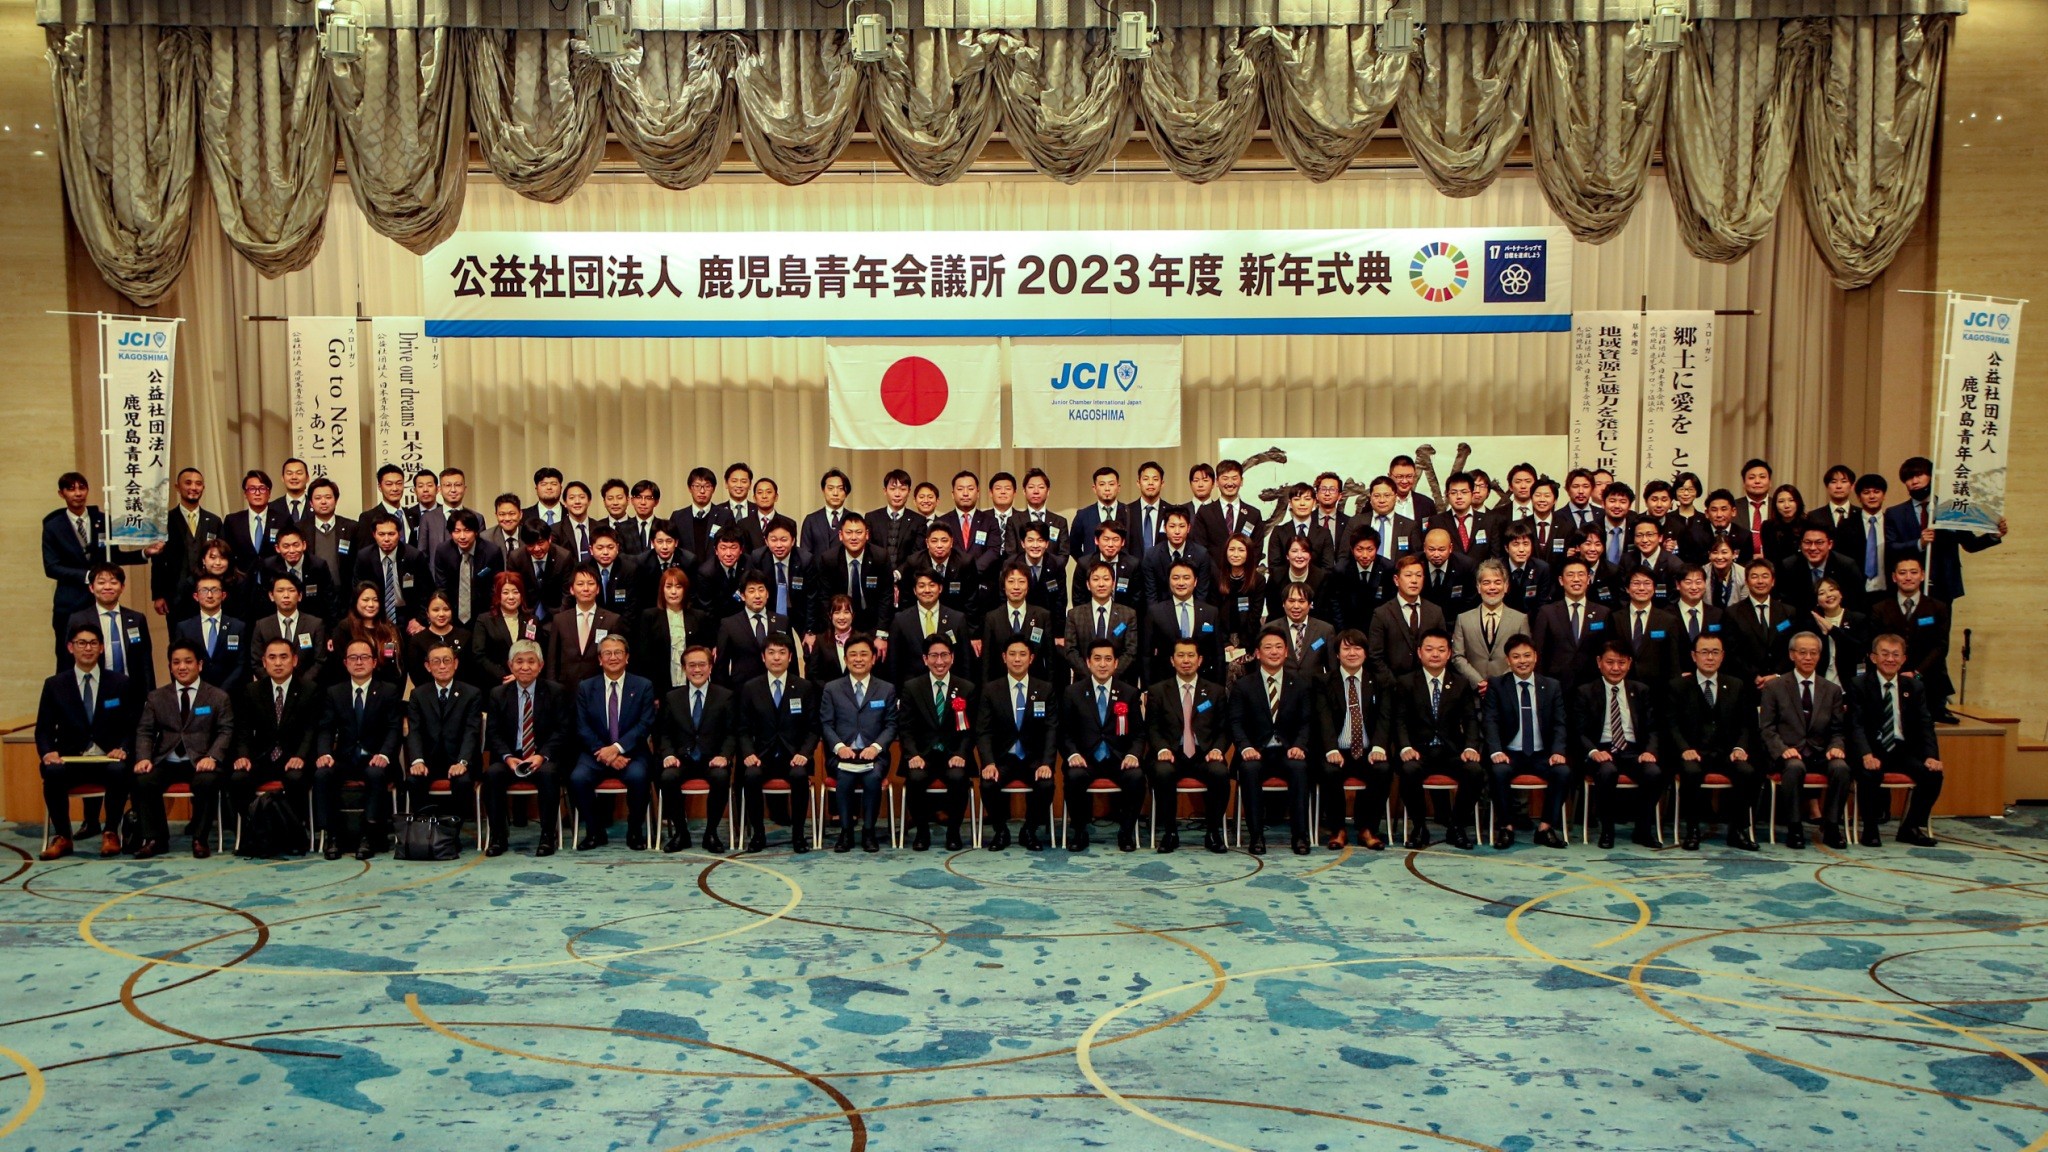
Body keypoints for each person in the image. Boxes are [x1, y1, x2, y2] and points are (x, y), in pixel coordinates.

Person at [35, 623, 139, 859]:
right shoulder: (55, 685)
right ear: (70, 647)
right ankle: (63, 836)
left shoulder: (120, 683)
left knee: (119, 770)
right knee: (52, 772)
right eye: (81, 643)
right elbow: (43, 729)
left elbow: (131, 726)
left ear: (101, 648)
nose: (88, 648)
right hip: (71, 760)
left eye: (93, 643)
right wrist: (47, 752)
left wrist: (123, 748)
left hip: (107, 760)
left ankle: (110, 832)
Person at [131, 640, 236, 859]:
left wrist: (212, 756)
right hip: (166, 760)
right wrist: (143, 757)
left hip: (201, 761)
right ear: (170, 667)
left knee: (207, 781)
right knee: (143, 780)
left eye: (188, 661)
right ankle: (155, 839)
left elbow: (226, 731)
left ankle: (200, 839)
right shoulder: (157, 697)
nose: (182, 667)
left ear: (200, 665)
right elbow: (145, 731)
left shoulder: (218, 697)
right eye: (176, 662)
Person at [1846, 633, 1944, 848]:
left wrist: (1931, 756)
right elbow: (1856, 725)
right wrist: (1866, 754)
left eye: (1895, 655)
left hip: (1902, 750)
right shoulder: (1859, 684)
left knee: (1933, 775)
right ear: (1873, 657)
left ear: (1903, 659)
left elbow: (1925, 725)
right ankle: (1870, 829)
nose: (1890, 659)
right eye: (1885, 654)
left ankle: (1910, 827)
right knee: (1869, 774)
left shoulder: (1914, 687)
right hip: (1871, 749)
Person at [1757, 631, 1852, 849]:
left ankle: (1831, 826)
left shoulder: (1832, 690)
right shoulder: (1775, 687)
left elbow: (1838, 730)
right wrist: (1782, 749)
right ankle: (1795, 827)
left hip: (1820, 753)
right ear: (1792, 655)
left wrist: (1836, 746)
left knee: (1841, 768)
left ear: (1819, 655)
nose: (1808, 657)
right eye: (1802, 652)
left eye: (1813, 653)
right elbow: (1767, 728)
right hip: (1788, 753)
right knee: (1794, 767)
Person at [1665, 632, 1759, 852]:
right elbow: (1671, 725)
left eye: (1715, 652)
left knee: (1747, 772)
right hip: (1693, 752)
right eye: (1704, 652)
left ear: (1722, 656)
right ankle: (1692, 830)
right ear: (1694, 656)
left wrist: (1739, 748)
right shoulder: (1678, 686)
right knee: (1690, 772)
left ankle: (1737, 830)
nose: (1710, 657)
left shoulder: (1735, 685)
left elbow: (1746, 724)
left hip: (1725, 752)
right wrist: (1684, 749)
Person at [1391, 628, 1482, 850]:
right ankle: (1419, 827)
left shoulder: (1460, 683)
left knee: (1475, 771)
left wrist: (1471, 747)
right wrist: (1405, 747)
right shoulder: (1406, 682)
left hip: (1451, 752)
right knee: (1409, 770)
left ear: (1449, 653)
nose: (1435, 654)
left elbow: (1470, 719)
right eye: (1429, 649)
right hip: (1419, 751)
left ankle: (1456, 826)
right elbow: (1399, 720)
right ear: (1419, 652)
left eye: (1441, 650)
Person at [1228, 625, 1316, 856]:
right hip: (1256, 751)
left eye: (1279, 647)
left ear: (1286, 652)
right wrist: (1245, 747)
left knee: (1300, 768)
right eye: (1268, 647)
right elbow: (1235, 722)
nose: (1274, 652)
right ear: (1258, 653)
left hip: (1288, 751)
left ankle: (1300, 836)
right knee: (1249, 769)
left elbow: (1307, 722)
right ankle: (1256, 836)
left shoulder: (1300, 684)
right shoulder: (1243, 686)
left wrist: (1299, 745)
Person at [312, 640, 405, 859]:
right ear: (345, 663)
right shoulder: (335, 692)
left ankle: (368, 836)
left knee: (375, 773)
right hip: (345, 759)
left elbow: (394, 729)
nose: (359, 662)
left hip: (376, 758)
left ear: (374, 662)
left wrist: (384, 755)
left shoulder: (388, 691)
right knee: (322, 774)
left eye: (364, 657)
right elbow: (326, 728)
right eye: (353, 658)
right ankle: (333, 836)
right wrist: (325, 753)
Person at [227, 638, 319, 853]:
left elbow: (311, 730)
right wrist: (243, 756)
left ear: (294, 660)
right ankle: (256, 829)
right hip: (262, 759)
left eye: (283, 657)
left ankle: (292, 833)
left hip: (294, 758)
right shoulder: (252, 690)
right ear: (264, 662)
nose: (278, 663)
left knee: (295, 779)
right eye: (272, 657)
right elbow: (242, 730)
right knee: (238, 779)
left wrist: (301, 756)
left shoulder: (309, 689)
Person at [1480, 634, 1569, 850]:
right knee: (1498, 771)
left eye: (1527, 655)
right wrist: (1495, 751)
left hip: (1541, 753)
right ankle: (1506, 828)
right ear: (1508, 660)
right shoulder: (1497, 685)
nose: (1522, 661)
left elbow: (1560, 723)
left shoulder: (1551, 686)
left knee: (1563, 772)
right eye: (1516, 656)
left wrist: (1557, 751)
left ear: (1535, 657)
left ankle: (1545, 828)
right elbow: (1490, 721)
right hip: (1510, 752)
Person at [1059, 638, 1147, 852]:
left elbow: (1139, 733)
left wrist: (1133, 755)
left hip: (1118, 759)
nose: (1102, 664)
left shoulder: (1129, 693)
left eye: (1108, 659)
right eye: (1097, 659)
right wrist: (1072, 754)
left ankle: (1126, 833)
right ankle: (1079, 832)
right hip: (1085, 759)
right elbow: (1064, 732)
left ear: (1116, 663)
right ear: (1088, 662)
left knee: (1136, 777)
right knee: (1074, 776)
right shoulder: (1073, 692)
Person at [1144, 637, 1231, 854]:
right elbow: (1152, 728)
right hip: (1171, 754)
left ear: (1199, 660)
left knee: (1220, 772)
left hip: (1204, 754)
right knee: (1162, 772)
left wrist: (1217, 749)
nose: (1186, 660)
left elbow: (1224, 729)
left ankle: (1213, 832)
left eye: (1191, 655)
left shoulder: (1216, 691)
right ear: (1172, 660)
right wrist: (1162, 749)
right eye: (1181, 655)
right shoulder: (1158, 691)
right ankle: (1170, 833)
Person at [569, 634, 656, 850]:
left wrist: (617, 748)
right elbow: (582, 726)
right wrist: (605, 752)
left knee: (639, 777)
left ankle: (634, 831)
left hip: (631, 753)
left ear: (627, 657)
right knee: (577, 779)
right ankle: (595, 831)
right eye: (607, 653)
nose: (613, 657)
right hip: (595, 753)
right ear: (600, 659)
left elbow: (645, 724)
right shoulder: (586, 687)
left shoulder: (643, 686)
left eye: (618, 652)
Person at [484, 639, 570, 857]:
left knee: (549, 774)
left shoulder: (556, 692)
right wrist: (507, 757)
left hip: (542, 758)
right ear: (510, 665)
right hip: (511, 758)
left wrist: (542, 756)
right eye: (519, 661)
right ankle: (498, 837)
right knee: (492, 774)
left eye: (531, 662)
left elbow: (562, 730)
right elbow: (493, 733)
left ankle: (547, 836)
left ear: (540, 666)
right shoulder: (497, 694)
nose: (525, 667)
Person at [1573, 641, 1663, 850]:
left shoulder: (1640, 690)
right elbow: (1579, 732)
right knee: (1607, 771)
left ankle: (1642, 830)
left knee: (1654, 773)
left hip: (1633, 751)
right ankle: (1607, 831)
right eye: (1610, 662)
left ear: (1629, 663)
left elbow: (1653, 728)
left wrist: (1649, 751)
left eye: (1621, 663)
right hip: (1601, 750)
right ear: (1599, 662)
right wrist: (1593, 752)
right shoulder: (1585, 691)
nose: (1616, 668)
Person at [734, 633, 818, 853]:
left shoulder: (804, 687)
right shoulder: (751, 688)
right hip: (762, 756)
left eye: (782, 652)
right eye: (771, 653)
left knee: (799, 776)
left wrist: (804, 753)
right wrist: (748, 753)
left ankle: (798, 835)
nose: (776, 657)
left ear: (790, 657)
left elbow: (813, 729)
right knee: (750, 775)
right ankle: (758, 834)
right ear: (763, 657)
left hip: (794, 756)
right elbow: (742, 729)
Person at [1883, 455, 2007, 602]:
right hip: (1910, 583)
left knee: (1942, 617)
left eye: (1919, 475)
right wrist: (1919, 543)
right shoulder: (1895, 513)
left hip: (1944, 583)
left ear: (1931, 476)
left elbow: (1970, 544)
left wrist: (1993, 536)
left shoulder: (1952, 509)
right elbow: (1891, 547)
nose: (1915, 481)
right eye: (1909, 478)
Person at [975, 637, 1057, 851]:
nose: (1017, 659)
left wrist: (1047, 763)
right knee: (988, 783)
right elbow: (983, 731)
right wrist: (988, 763)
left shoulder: (1045, 689)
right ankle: (1001, 831)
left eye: (1022, 654)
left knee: (1046, 784)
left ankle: (1029, 830)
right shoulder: (991, 690)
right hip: (1002, 759)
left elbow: (1051, 729)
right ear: (1004, 658)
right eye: (1012, 654)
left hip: (1033, 759)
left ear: (1031, 658)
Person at [653, 644, 737, 854]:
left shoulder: (725, 696)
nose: (697, 670)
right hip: (683, 759)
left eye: (702, 664)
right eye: (692, 665)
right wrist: (668, 755)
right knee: (667, 777)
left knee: (721, 777)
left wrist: (725, 756)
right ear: (684, 668)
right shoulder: (672, 697)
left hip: (712, 759)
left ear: (710, 667)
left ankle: (711, 833)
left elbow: (732, 733)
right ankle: (681, 833)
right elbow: (664, 733)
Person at [897, 634, 976, 852]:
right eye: (933, 656)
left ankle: (953, 833)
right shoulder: (912, 687)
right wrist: (913, 755)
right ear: (925, 659)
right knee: (915, 778)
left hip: (953, 755)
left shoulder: (966, 688)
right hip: (922, 755)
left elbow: (970, 730)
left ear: (952, 657)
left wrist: (961, 754)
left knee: (959, 778)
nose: (939, 661)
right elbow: (905, 728)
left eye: (944, 655)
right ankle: (922, 833)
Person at [819, 634, 896, 853]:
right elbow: (826, 724)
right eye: (853, 655)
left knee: (872, 777)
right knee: (845, 776)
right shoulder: (832, 688)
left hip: (875, 755)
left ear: (873, 659)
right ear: (845, 659)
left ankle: (869, 832)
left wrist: (876, 747)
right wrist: (839, 747)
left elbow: (891, 725)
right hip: (841, 754)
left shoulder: (886, 689)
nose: (858, 659)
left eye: (864, 654)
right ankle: (846, 832)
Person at [401, 640, 483, 841]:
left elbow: (471, 732)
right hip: (429, 761)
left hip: (460, 760)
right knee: (413, 780)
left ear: (456, 663)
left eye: (447, 660)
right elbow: (414, 731)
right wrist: (417, 760)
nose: (442, 666)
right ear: (428, 666)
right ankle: (427, 835)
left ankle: (451, 836)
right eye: (436, 661)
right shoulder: (418, 694)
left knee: (463, 782)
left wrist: (462, 762)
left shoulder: (472, 693)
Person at [1316, 630, 1391, 851]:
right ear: (1337, 654)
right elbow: (1323, 718)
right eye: (1346, 648)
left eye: (1357, 648)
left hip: (1368, 750)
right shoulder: (1324, 681)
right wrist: (1331, 749)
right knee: (1329, 771)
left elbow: (1385, 717)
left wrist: (1379, 746)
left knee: (1383, 769)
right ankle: (1337, 830)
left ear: (1366, 653)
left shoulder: (1379, 681)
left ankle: (1367, 829)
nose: (1352, 653)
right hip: (1337, 750)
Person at [1867, 555, 1954, 722]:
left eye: (1913, 572)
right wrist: (1894, 671)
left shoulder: (1938, 607)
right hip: (1889, 677)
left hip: (1929, 680)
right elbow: (1874, 644)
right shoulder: (1879, 609)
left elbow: (1941, 646)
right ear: (1894, 577)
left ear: (1922, 575)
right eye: (1902, 573)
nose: (1908, 577)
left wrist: (1917, 673)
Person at [70, 562, 157, 698]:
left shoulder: (137, 619)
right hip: (96, 690)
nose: (107, 587)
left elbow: (146, 662)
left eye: (113, 582)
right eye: (101, 582)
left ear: (122, 587)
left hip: (132, 691)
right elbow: (68, 661)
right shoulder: (78, 620)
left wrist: (150, 696)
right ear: (91, 587)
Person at [150, 467, 223, 618]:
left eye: (198, 484)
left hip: (209, 594)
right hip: (175, 594)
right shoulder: (165, 521)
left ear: (203, 487)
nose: (193, 487)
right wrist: (158, 594)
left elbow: (222, 557)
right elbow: (158, 561)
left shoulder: (214, 521)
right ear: (177, 487)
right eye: (188, 483)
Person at [1141, 560, 1223, 685]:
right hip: (1165, 682)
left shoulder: (1210, 612)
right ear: (1169, 581)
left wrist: (1219, 686)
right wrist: (1146, 687)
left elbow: (1218, 654)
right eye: (1175, 578)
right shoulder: (1155, 612)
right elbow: (1146, 654)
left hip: (1203, 681)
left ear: (1195, 582)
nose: (1180, 583)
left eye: (1186, 578)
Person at [882, 571, 969, 687]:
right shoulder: (901, 620)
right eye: (921, 586)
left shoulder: (957, 619)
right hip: (912, 689)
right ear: (914, 590)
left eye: (932, 585)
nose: (927, 590)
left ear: (940, 588)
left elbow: (965, 662)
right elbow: (894, 662)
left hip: (949, 687)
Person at [632, 567, 711, 695]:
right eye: (668, 587)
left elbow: (704, 652)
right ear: (662, 590)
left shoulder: (699, 617)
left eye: (678, 587)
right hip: (661, 686)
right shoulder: (649, 616)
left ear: (685, 590)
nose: (673, 592)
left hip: (693, 684)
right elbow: (644, 657)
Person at [1369, 554, 1446, 685]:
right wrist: (1394, 684)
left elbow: (1443, 648)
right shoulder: (1382, 613)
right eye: (1408, 575)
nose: (1414, 580)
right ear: (1396, 580)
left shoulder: (1435, 611)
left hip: (1427, 685)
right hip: (1393, 685)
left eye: (1418, 575)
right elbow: (1375, 656)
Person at [1450, 560, 1527, 687]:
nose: (1492, 587)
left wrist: (1497, 685)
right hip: (1473, 691)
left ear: (1506, 586)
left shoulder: (1520, 619)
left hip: (1507, 689)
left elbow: (1523, 657)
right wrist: (1478, 682)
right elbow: (1457, 656)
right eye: (1486, 583)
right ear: (1478, 587)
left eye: (1497, 582)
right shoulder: (1463, 619)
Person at [351, 513, 432, 631]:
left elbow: (427, 591)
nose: (386, 539)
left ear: (399, 534)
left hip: (409, 615)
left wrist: (420, 619)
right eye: (381, 534)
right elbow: (358, 590)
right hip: (376, 614)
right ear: (374, 535)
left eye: (391, 534)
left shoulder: (413, 556)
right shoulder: (365, 557)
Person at [548, 565, 625, 688]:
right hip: (566, 688)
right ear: (572, 590)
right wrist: (552, 688)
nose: (586, 588)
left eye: (591, 583)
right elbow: (552, 660)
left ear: (598, 589)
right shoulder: (560, 620)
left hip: (600, 686)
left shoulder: (612, 620)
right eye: (580, 584)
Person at [1723, 562, 1796, 689]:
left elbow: (1792, 647)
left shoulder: (1788, 612)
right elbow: (1731, 652)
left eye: (1765, 576)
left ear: (1773, 581)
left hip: (1782, 683)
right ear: (1746, 582)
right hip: (1747, 684)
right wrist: (1753, 676)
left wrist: (1777, 675)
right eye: (1754, 576)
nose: (1760, 581)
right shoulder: (1732, 613)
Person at [1063, 561, 1138, 682]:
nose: (1101, 584)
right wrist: (1092, 677)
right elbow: (1070, 651)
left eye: (1106, 579)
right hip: (1083, 682)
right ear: (1088, 585)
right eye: (1096, 579)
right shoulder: (1074, 615)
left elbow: (1130, 651)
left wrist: (1110, 676)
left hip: (1118, 681)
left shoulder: (1128, 615)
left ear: (1113, 584)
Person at [813, 512, 887, 634]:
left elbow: (886, 597)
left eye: (858, 532)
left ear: (867, 535)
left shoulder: (880, 557)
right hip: (841, 619)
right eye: (849, 532)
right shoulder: (829, 559)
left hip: (872, 620)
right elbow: (824, 598)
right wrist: (831, 630)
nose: (854, 537)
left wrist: (881, 633)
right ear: (840, 535)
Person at [983, 562, 1057, 684]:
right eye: (1011, 581)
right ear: (1003, 586)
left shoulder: (1042, 616)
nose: (1016, 587)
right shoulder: (992, 618)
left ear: (1028, 586)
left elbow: (1050, 660)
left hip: (1035, 685)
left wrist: (1049, 689)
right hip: (1001, 685)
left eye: (1021, 582)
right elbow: (986, 661)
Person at [172, 573, 249, 688]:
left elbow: (241, 664)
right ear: (196, 596)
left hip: (231, 691)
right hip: (196, 691)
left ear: (223, 595)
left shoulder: (237, 626)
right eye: (204, 590)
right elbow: (179, 661)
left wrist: (222, 691)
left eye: (215, 590)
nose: (209, 595)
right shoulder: (184, 628)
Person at [430, 508, 503, 629]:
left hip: (484, 613)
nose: (462, 536)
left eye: (467, 530)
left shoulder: (492, 552)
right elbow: (442, 587)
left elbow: (496, 587)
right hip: (452, 614)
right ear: (451, 533)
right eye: (457, 531)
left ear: (476, 532)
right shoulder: (443, 551)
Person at [471, 571, 539, 686]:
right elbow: (479, 655)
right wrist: (504, 676)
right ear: (498, 595)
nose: (511, 597)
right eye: (505, 592)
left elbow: (538, 653)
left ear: (521, 595)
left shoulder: (532, 620)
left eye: (515, 592)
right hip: (496, 683)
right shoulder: (485, 620)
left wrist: (519, 675)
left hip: (527, 681)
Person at [1776, 525, 1862, 615]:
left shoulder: (1846, 566)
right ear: (1801, 544)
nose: (1813, 548)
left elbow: (1857, 603)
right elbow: (1785, 606)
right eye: (1808, 542)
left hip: (1838, 618)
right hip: (1801, 619)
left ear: (1830, 544)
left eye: (1819, 542)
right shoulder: (1789, 566)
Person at [260, 524, 337, 623]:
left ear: (304, 545)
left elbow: (329, 601)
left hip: (312, 618)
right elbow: (265, 601)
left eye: (296, 545)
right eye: (286, 546)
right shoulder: (269, 566)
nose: (292, 551)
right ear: (277, 548)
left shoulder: (318, 566)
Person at [403, 591, 478, 690]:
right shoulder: (417, 640)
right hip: (428, 694)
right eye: (435, 610)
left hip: (462, 693)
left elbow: (472, 671)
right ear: (427, 613)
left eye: (446, 609)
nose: (441, 614)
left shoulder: (465, 636)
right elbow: (415, 674)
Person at [1139, 508, 1212, 606]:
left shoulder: (1201, 554)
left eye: (1182, 526)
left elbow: (1201, 594)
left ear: (1188, 528)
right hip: (1161, 609)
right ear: (1165, 528)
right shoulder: (1152, 555)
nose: (1177, 531)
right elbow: (1151, 595)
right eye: (1172, 526)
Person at [1192, 459, 1264, 558]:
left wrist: (1243, 567)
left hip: (1245, 568)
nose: (1230, 483)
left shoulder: (1253, 514)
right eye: (1225, 478)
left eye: (1234, 478)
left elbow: (1257, 549)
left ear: (1241, 481)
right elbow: (1200, 548)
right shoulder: (1205, 512)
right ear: (1217, 482)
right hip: (1213, 567)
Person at [301, 478, 358, 587]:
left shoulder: (351, 527)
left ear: (336, 500)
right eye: (318, 498)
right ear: (311, 503)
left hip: (345, 591)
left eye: (328, 497)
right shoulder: (300, 528)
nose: (323, 502)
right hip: (312, 590)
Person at [224, 469, 282, 572]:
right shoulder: (232, 521)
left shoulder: (282, 520)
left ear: (269, 493)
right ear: (245, 494)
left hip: (274, 576)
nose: (257, 493)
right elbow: (226, 553)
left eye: (262, 489)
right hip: (242, 577)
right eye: (252, 489)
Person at [1275, 583, 1336, 677]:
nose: (1296, 606)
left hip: (1314, 685)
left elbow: (1332, 668)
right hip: (1283, 685)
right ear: (1283, 603)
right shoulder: (1271, 629)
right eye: (1291, 601)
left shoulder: (1325, 630)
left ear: (1310, 604)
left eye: (1301, 601)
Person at [1071, 465, 1130, 562]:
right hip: (1093, 568)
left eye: (1111, 484)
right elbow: (1073, 547)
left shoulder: (1129, 512)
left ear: (1118, 487)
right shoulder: (1083, 515)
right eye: (1102, 484)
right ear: (1094, 488)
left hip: (1123, 567)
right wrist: (1087, 563)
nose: (1107, 488)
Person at [1419, 528, 1480, 619]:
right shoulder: (1415, 564)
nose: (1436, 555)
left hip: (1455, 619)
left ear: (1450, 548)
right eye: (1431, 549)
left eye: (1441, 550)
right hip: (1424, 619)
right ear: (1424, 548)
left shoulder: (1465, 566)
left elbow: (1471, 600)